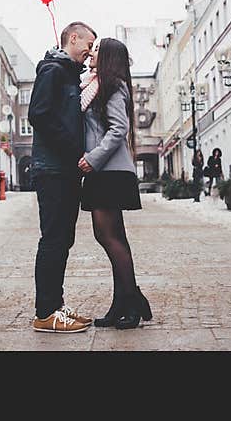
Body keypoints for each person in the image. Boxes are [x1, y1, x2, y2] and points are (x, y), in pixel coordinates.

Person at [28, 21, 97, 333]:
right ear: (73, 38)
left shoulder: (69, 74)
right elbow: (39, 115)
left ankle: (56, 305)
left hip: (65, 169)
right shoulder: (53, 71)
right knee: (54, 239)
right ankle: (45, 313)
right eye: (88, 44)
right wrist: (73, 150)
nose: (90, 52)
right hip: (53, 168)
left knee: (62, 240)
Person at [79, 38, 152, 330]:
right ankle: (123, 302)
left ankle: (131, 302)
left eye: (96, 50)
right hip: (105, 170)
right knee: (113, 238)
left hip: (108, 170)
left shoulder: (113, 86)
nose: (91, 53)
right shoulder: (94, 85)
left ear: (107, 57)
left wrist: (92, 159)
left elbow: (118, 128)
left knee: (109, 238)